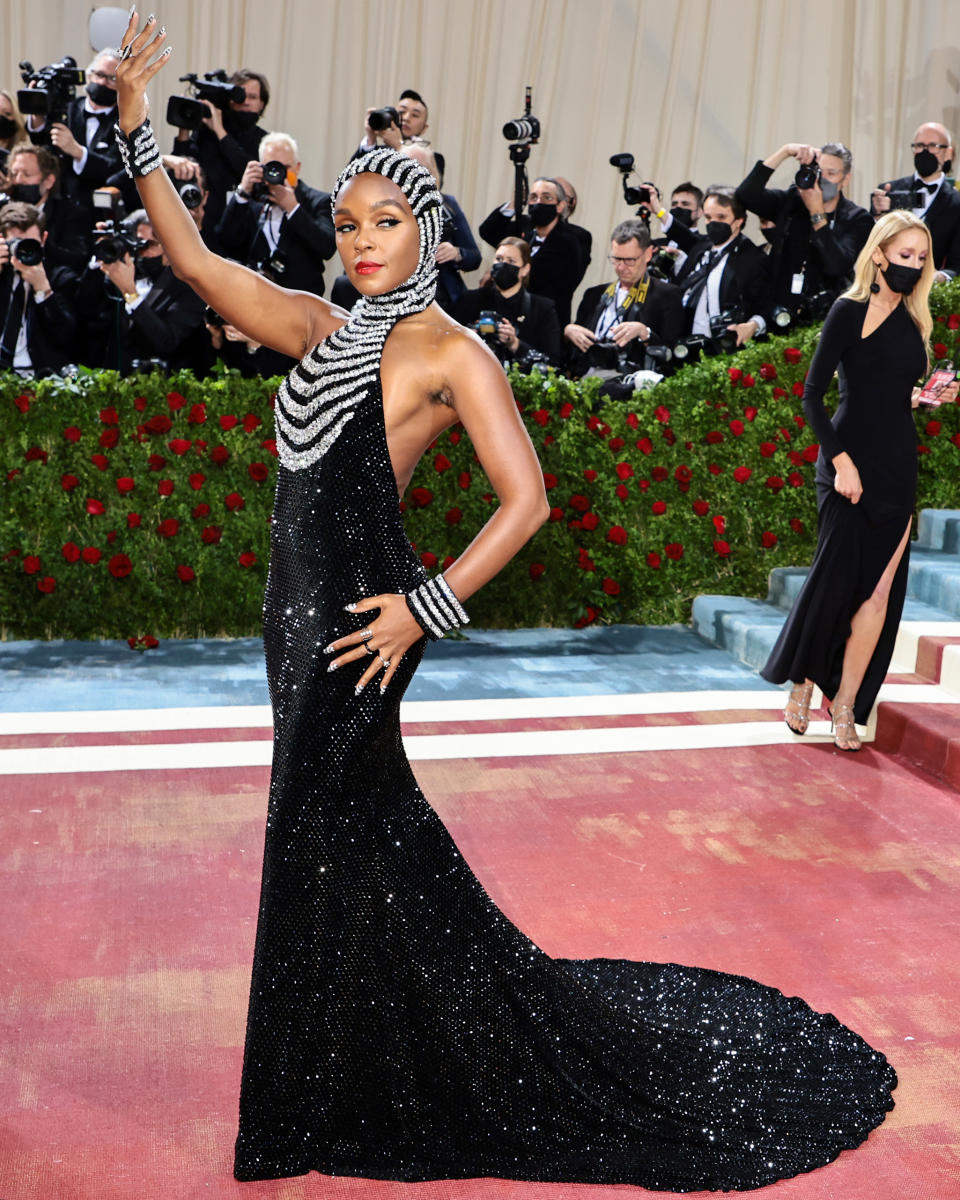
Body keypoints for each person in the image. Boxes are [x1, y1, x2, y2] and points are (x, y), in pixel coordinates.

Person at [116, 15, 896, 1191]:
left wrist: (421, 608)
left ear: (427, 230)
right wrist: (131, 123)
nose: (365, 242)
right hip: (293, 623)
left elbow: (523, 502)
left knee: (315, 831)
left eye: (388, 223)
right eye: (349, 225)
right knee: (354, 835)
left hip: (368, 625)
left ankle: (309, 1099)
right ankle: (383, 1049)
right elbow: (198, 266)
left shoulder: (452, 353)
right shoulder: (324, 332)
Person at [761, 211, 958, 749]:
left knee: (877, 594)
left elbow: (893, 395)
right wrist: (841, 461)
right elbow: (812, 397)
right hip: (847, 461)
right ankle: (801, 682)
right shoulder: (848, 312)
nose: (913, 268)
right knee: (834, 583)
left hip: (897, 464)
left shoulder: (917, 323)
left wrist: (924, 397)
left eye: (921, 259)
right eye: (904, 256)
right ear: (879, 255)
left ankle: (846, 705)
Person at [735, 142, 873, 323]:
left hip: (823, 320)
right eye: (819, 172)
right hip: (779, 314)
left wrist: (816, 212)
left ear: (845, 179)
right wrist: (784, 152)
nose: (822, 180)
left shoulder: (857, 218)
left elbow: (836, 266)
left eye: (831, 174)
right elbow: (746, 195)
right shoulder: (792, 202)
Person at [217, 131, 336, 296]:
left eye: (284, 168)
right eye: (271, 167)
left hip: (301, 302)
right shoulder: (253, 201)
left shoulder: (318, 201)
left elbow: (327, 247)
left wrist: (293, 208)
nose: (277, 174)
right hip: (253, 297)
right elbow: (227, 240)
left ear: (297, 168)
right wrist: (243, 192)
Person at [564, 217, 682, 374]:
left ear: (647, 254)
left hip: (632, 383)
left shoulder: (667, 295)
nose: (621, 267)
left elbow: (673, 355)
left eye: (629, 260)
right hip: (587, 377)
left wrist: (644, 333)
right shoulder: (594, 295)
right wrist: (568, 331)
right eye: (616, 259)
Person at [171, 67, 270, 235]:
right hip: (204, 225)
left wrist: (219, 130)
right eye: (241, 95)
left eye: (253, 97)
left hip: (241, 230)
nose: (245, 101)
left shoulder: (264, 141)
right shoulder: (205, 133)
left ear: (262, 104)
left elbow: (248, 169)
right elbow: (183, 166)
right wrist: (185, 127)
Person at [478, 176, 587, 325]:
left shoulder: (570, 240)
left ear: (560, 206)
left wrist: (506, 269)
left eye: (546, 198)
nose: (538, 202)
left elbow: (555, 281)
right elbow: (488, 232)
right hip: (510, 315)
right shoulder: (525, 229)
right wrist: (514, 203)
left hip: (544, 319)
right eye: (533, 197)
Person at [25, 48, 123, 213]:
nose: (102, 82)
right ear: (89, 75)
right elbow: (43, 143)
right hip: (60, 210)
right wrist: (37, 111)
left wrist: (77, 151)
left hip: (98, 213)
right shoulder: (67, 108)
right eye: (99, 75)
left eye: (112, 79)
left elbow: (115, 168)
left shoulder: (126, 123)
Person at [674, 189, 773, 346]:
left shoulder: (753, 258)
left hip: (726, 348)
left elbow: (766, 304)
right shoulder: (701, 249)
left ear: (739, 221)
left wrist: (753, 325)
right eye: (708, 217)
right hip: (687, 344)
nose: (713, 223)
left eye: (721, 217)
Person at [872, 122, 960, 281]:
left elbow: (956, 266)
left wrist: (936, 278)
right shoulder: (889, 191)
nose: (925, 152)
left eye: (933, 146)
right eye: (919, 145)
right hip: (886, 285)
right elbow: (871, 246)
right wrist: (878, 217)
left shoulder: (956, 203)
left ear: (948, 153)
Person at [455, 236, 563, 364]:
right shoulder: (470, 300)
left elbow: (552, 362)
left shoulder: (542, 309)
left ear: (525, 269)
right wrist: (468, 337)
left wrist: (515, 344)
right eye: (499, 259)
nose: (503, 265)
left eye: (511, 261)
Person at [0, 201, 78, 374]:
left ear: (43, 240)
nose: (23, 251)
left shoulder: (60, 277)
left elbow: (65, 337)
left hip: (41, 375)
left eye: (30, 243)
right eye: (16, 243)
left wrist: (43, 290)